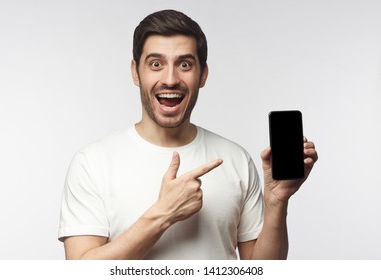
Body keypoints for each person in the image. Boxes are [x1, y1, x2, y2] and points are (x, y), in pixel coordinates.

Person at [58, 9, 318, 260]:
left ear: (202, 75)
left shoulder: (235, 159)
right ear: (135, 72)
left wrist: (275, 202)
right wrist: (162, 214)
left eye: (184, 64)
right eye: (156, 64)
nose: (170, 79)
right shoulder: (92, 163)